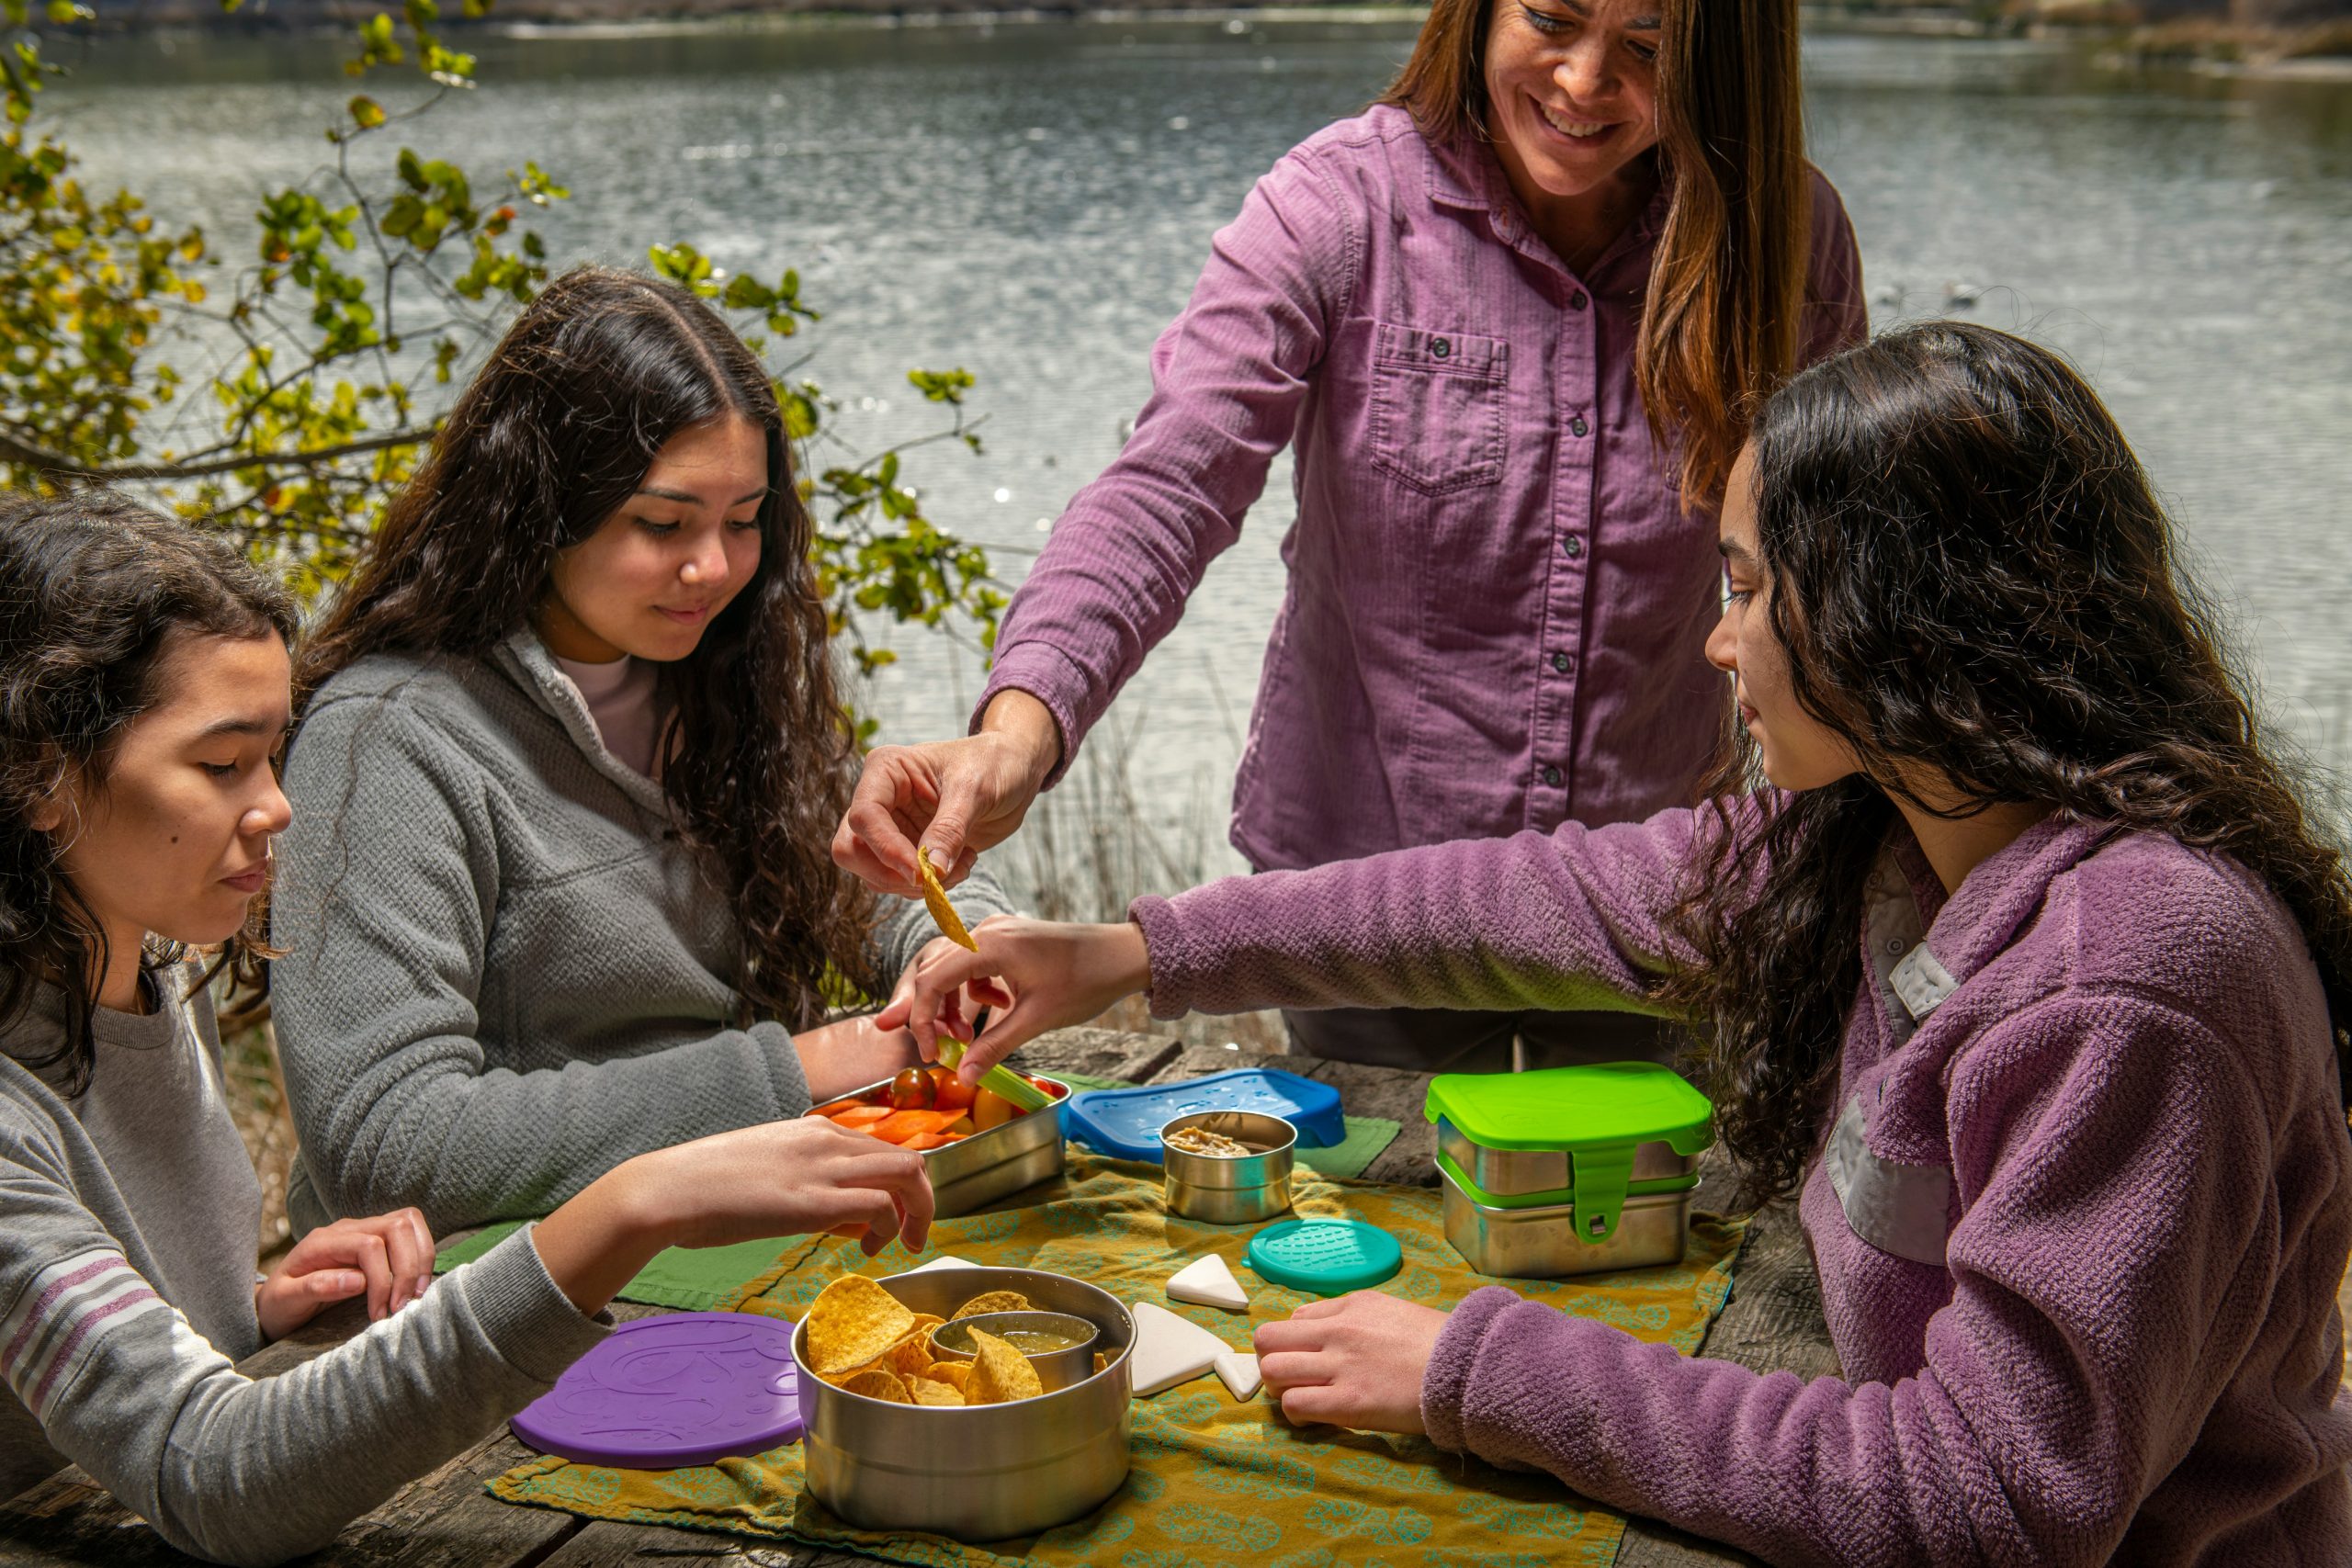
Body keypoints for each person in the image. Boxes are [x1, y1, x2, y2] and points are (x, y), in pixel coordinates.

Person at [878, 322, 2352, 1561]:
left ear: (1908, 617)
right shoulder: (1906, 836)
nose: (1722, 642)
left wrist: (1482, 1367)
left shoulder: (2129, 981)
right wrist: (1130, 950)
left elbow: (1986, 1498)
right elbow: (1513, 903)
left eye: (1752, 587)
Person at [835, 0, 1868, 1074]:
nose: (1581, 81)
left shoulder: (1784, 237)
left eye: (1648, 51)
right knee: (1364, 1222)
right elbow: (1170, 485)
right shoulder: (1337, 205)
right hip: (1348, 915)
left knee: (1652, 1222)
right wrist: (1016, 733)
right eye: (1550, 20)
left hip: (1647, 906)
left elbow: (1832, 579)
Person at [0, 492, 933, 1565]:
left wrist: (239, 1315)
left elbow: (87, 1362)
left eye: (271, 755)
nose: (278, 807)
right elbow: (213, 1475)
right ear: (40, 774)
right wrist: (630, 1205)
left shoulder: (153, 970)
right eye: (221, 767)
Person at [270, 267, 1005, 1237]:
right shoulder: (387, 743)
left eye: (744, 522)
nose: (713, 568)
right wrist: (802, 1071)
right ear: (537, 507)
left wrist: (962, 953)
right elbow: (386, 1148)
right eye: (661, 524)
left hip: (739, 1232)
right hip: (497, 1301)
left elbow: (872, 890)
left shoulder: (723, 676)